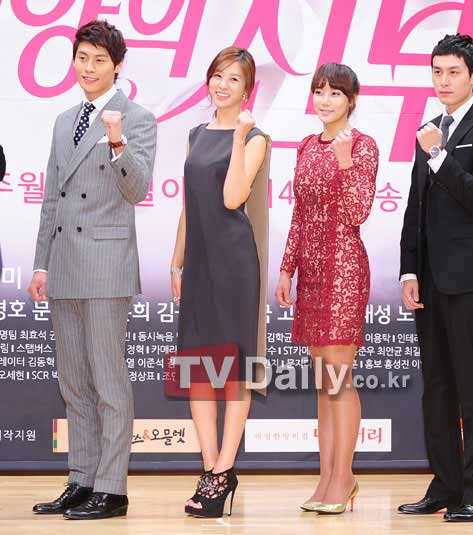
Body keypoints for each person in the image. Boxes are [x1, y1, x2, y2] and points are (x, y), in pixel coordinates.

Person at [28, 20, 157, 520]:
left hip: (105, 265)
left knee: (108, 383)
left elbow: (138, 189)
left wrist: (118, 142)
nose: (89, 67)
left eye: (100, 59)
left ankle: (112, 487)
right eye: (83, 57)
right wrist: (41, 263)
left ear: (117, 65)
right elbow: (51, 199)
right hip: (63, 264)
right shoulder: (65, 120)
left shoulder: (137, 118)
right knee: (74, 383)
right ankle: (81, 479)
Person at [398, 34, 473, 522]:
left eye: (453, 72)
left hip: (468, 278)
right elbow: (415, 206)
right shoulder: (430, 129)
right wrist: (408, 268)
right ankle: (445, 485)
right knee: (438, 387)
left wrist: (440, 156)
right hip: (428, 279)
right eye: (437, 71)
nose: (443, 81)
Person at [170, 46, 270, 518]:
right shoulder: (195, 134)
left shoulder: (255, 138)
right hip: (199, 264)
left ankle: (225, 465)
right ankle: (212, 469)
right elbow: (189, 206)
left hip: (234, 265)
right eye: (218, 76)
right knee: (198, 371)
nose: (223, 85)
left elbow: (232, 198)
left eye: (234, 79)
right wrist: (177, 262)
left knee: (232, 372)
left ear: (247, 89)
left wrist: (240, 136)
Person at [276, 63, 379, 515]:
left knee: (339, 378)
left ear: (351, 100)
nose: (325, 100)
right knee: (323, 382)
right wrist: (287, 269)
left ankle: (344, 478)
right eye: (319, 91)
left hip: (344, 269)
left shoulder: (364, 145)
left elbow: (358, 212)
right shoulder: (304, 146)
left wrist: (345, 161)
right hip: (312, 273)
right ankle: (326, 479)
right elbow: (299, 215)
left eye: (335, 93)